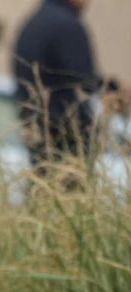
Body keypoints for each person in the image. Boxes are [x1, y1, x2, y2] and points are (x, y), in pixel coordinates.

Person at [12, 0, 127, 181]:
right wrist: (115, 90)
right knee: (73, 193)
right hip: (66, 131)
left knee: (45, 191)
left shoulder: (34, 22)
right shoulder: (67, 26)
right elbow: (83, 79)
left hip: (38, 129)